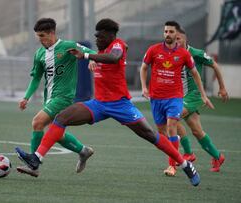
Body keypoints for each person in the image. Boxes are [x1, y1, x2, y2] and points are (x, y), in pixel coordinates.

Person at [15, 18, 201, 187]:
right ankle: (36, 159)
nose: (96, 39)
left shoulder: (117, 45)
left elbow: (114, 58)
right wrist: (91, 59)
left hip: (121, 105)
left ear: (110, 35)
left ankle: (185, 164)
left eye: (100, 36)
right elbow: (100, 56)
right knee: (61, 118)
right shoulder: (100, 51)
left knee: (150, 135)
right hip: (98, 104)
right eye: (95, 36)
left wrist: (87, 57)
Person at [16, 18, 95, 177]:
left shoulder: (67, 46)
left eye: (42, 35)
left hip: (64, 97)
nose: (40, 39)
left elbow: (93, 52)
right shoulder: (39, 53)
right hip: (50, 98)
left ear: (52, 33)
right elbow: (37, 78)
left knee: (37, 122)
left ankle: (34, 164)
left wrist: (92, 60)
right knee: (57, 134)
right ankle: (83, 150)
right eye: (38, 36)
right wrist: (26, 97)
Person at [139, 21, 214, 177]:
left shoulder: (184, 54)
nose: (168, 34)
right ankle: (178, 152)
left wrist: (203, 95)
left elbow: (195, 73)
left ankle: (172, 166)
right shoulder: (153, 50)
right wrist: (144, 87)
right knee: (162, 132)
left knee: (172, 125)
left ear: (176, 34)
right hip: (156, 98)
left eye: (171, 32)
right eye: (165, 31)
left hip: (174, 97)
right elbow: (144, 67)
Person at [175, 27, 228, 172]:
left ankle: (188, 153)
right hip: (181, 96)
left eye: (178, 38)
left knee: (173, 117)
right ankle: (218, 156)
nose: (175, 41)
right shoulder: (173, 54)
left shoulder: (196, 53)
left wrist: (222, 88)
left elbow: (215, 66)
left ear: (185, 39)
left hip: (194, 95)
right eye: (174, 38)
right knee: (197, 131)